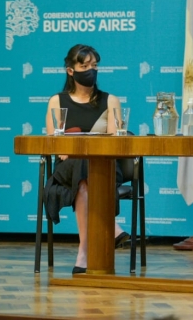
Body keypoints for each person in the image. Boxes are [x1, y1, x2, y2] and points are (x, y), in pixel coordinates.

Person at [44, 44, 129, 274]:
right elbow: (55, 144)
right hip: (66, 167)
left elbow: (114, 142)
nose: (90, 70)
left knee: (84, 177)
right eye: (84, 66)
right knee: (81, 163)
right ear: (71, 70)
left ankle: (83, 253)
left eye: (94, 66)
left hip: (104, 166)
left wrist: (84, 150)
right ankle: (112, 228)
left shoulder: (110, 101)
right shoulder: (57, 101)